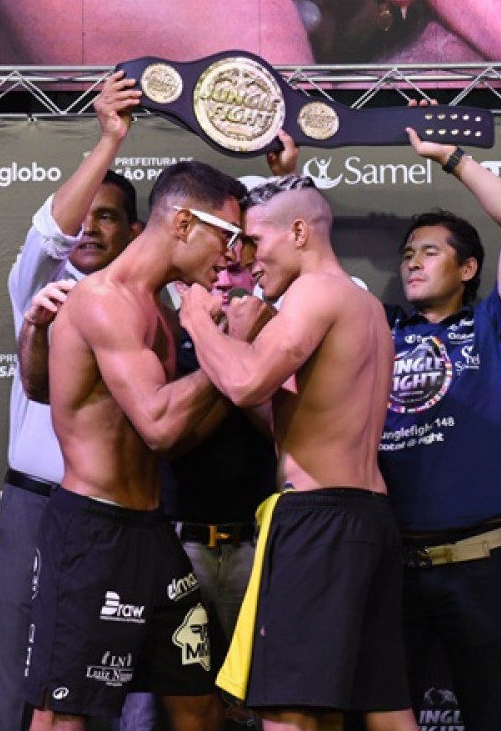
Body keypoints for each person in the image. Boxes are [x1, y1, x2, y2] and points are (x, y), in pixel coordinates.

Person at [178, 175, 417, 731]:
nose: (247, 258)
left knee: (287, 709)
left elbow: (245, 385)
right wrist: (241, 343)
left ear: (300, 232)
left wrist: (195, 321)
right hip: (367, 517)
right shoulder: (365, 306)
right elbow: (292, 422)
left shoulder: (313, 294)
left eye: (256, 241)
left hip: (319, 524)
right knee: (384, 708)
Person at [23, 157, 250, 731]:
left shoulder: (163, 309)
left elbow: (170, 442)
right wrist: (228, 347)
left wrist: (238, 367)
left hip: (151, 531)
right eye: (226, 236)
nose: (231, 254)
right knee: (63, 715)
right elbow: (158, 424)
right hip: (93, 534)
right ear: (183, 223)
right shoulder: (106, 301)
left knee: (198, 702)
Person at [377, 125, 501, 731]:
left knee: (489, 713)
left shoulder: (495, 326)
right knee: (381, 715)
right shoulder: (378, 329)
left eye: (430, 252)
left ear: (468, 267)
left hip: (477, 565)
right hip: (390, 564)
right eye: (407, 253)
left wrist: (450, 157)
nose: (412, 261)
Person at [0, 70, 143, 731]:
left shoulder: (155, 303)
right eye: (85, 214)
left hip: (119, 512)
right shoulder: (39, 288)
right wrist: (108, 141)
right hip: (38, 504)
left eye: (107, 217)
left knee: (115, 673)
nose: (89, 227)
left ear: (135, 231)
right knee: (19, 667)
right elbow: (49, 230)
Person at [163, 246, 278, 731]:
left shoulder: (276, 337)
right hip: (183, 544)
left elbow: (281, 431)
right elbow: (171, 439)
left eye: (239, 269)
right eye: (219, 270)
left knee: (261, 697)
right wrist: (232, 365)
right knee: (189, 700)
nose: (228, 280)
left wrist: (240, 364)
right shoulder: (174, 341)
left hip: (256, 546)